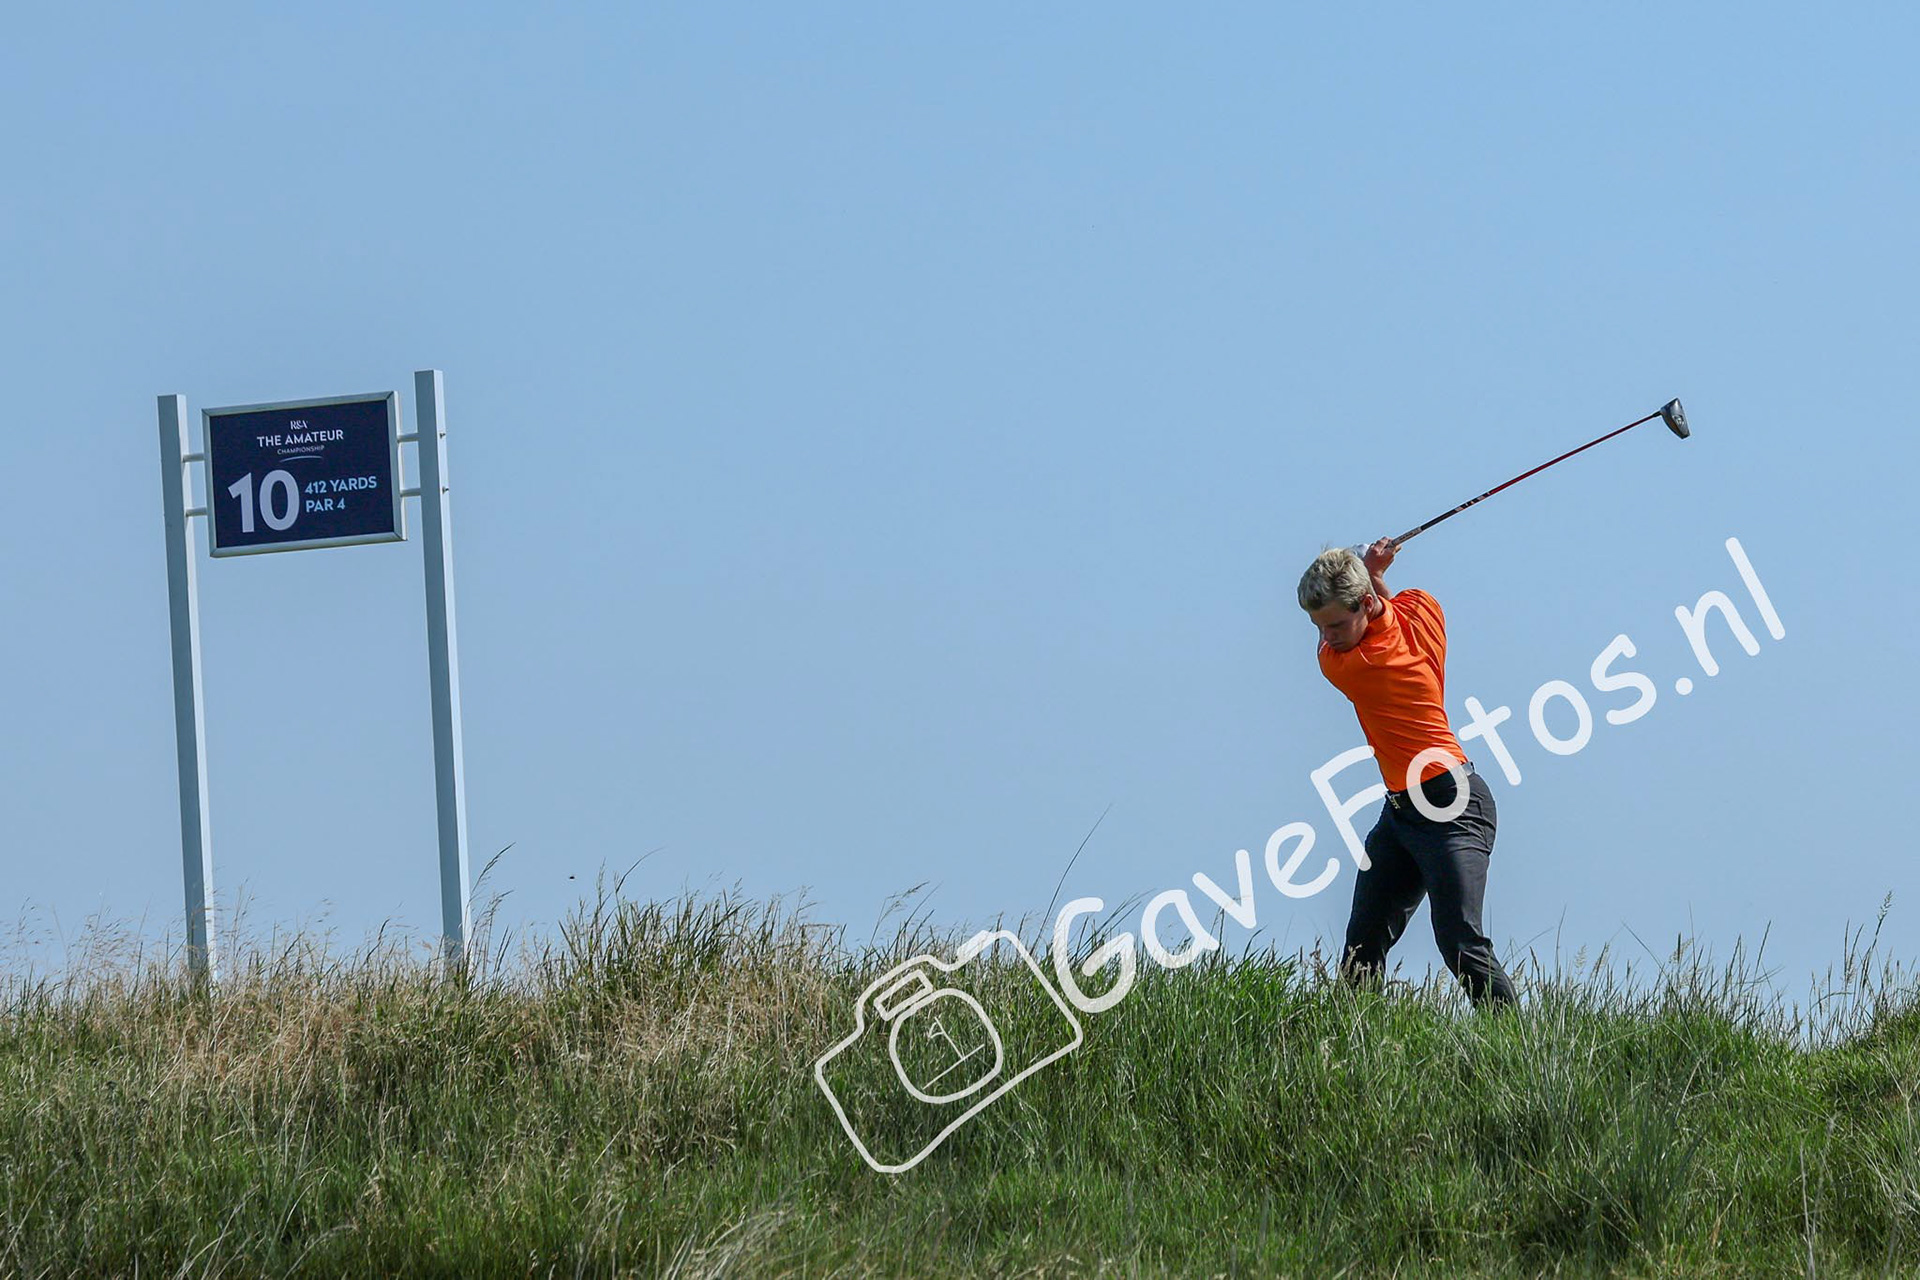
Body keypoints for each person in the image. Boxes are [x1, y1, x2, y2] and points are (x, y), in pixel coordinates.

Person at [1299, 538, 1518, 1011]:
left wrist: (1367, 569)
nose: (1328, 634)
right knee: (1362, 947)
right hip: (1400, 815)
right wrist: (1372, 573)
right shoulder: (1422, 613)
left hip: (1453, 806)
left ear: (1364, 605)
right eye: (1318, 624)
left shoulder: (1358, 666)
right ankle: (1354, 1046)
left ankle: (1516, 1044)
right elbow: (1395, 613)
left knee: (1460, 942)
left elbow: (1341, 647)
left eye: (1335, 623)